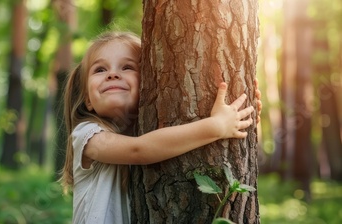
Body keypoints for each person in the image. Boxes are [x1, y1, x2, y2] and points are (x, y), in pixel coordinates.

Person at [59, 31, 261, 224]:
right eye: (100, 69)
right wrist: (217, 126)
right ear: (87, 99)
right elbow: (139, 150)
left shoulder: (150, 131)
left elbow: (165, 142)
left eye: (127, 67)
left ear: (148, 83)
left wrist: (243, 120)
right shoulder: (86, 134)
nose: (112, 74)